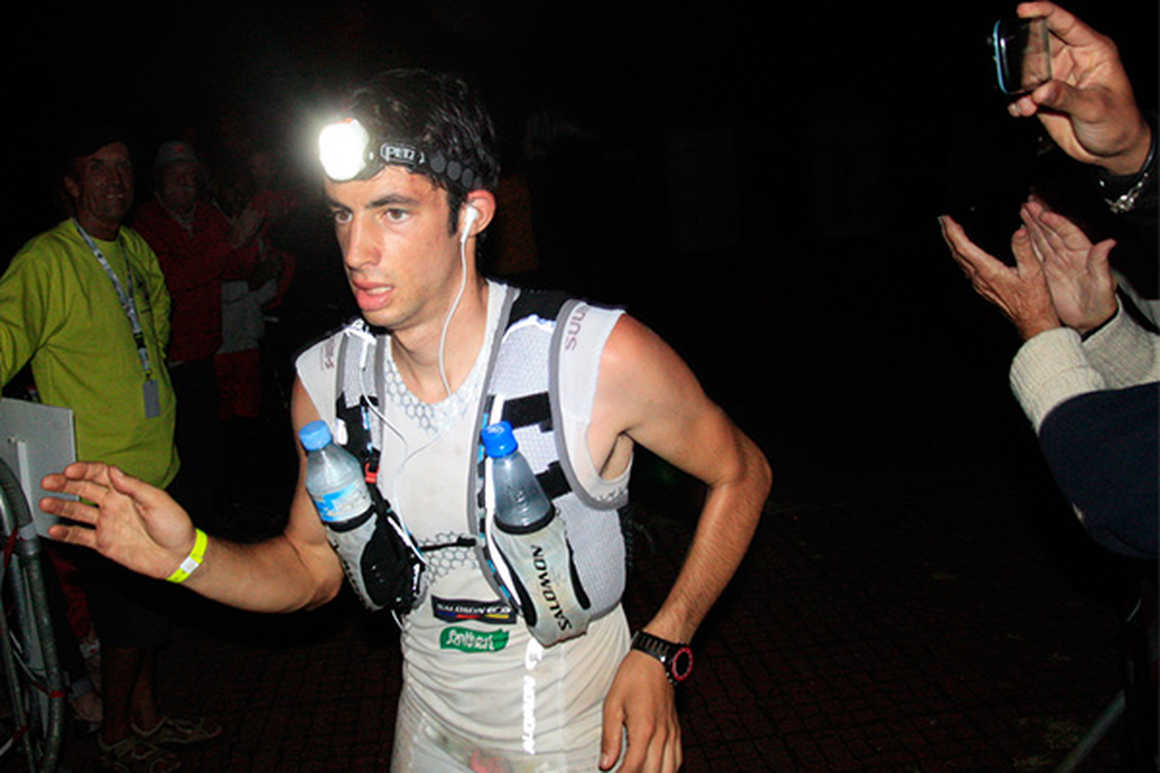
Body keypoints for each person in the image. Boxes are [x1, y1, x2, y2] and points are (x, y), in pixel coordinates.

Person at [41, 69, 772, 772]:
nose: (356, 251)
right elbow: (308, 567)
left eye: (393, 211)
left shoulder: (591, 358)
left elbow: (742, 472)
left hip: (586, 735)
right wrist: (188, 555)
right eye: (342, 214)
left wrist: (662, 644)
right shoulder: (327, 384)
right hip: (428, 738)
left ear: (472, 214)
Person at [0, 130, 216, 773]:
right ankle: (117, 736)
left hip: (157, 468)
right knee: (126, 625)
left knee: (156, 607)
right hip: (99, 484)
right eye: (97, 168)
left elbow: (159, 326)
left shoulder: (136, 250)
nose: (113, 180)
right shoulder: (45, 262)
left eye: (122, 167)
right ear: (71, 184)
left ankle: (147, 717)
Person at [132, 140, 265, 532]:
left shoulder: (208, 217)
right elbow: (173, 278)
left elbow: (236, 265)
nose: (186, 186)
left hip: (209, 351)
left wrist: (253, 247)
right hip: (168, 360)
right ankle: (181, 526)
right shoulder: (145, 224)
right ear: (159, 184)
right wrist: (232, 243)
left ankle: (218, 520)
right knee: (181, 449)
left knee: (215, 443)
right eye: (177, 179)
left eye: (192, 178)